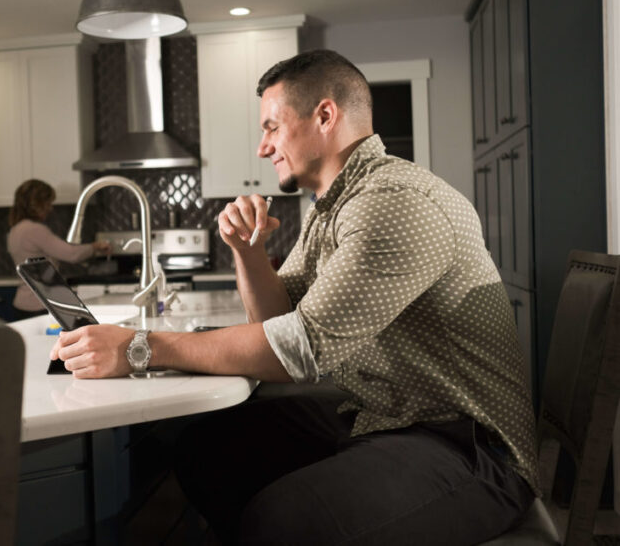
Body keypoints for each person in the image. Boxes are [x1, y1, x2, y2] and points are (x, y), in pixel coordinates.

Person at [50, 50, 537, 545]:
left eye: (272, 127)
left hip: (471, 447)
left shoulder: (391, 202)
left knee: (283, 521)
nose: (263, 148)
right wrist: (248, 253)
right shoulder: (332, 206)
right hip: (385, 414)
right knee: (206, 449)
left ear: (324, 116)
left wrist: (141, 348)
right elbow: (278, 320)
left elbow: (296, 351)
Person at [7, 179, 110, 319]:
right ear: (37, 204)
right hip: (39, 303)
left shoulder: (15, 230)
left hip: (22, 302)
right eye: (48, 203)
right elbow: (71, 254)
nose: (50, 208)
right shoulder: (34, 230)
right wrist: (95, 247)